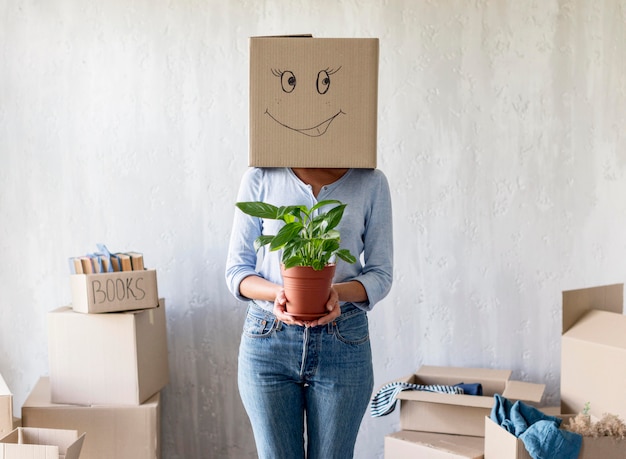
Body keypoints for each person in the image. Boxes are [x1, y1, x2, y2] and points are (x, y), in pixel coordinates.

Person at [225, 166, 393, 459]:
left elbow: (380, 274)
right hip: (269, 339)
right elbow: (237, 271)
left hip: (343, 340)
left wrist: (335, 293)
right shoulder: (261, 176)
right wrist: (280, 294)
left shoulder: (370, 181)